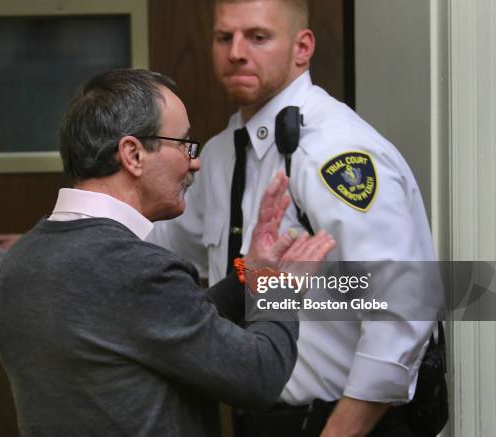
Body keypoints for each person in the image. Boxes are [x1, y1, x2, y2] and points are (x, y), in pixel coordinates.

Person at [148, 1, 440, 436]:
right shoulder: (221, 154)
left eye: (258, 37)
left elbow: (404, 307)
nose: (236, 52)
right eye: (224, 37)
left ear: (302, 47)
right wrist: (79, 232)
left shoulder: (335, 154)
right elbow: (166, 243)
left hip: (342, 423)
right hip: (259, 420)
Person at [0, 69, 335, 437]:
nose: (195, 162)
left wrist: (247, 274)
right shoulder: (137, 269)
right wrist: (276, 287)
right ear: (133, 154)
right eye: (184, 144)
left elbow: (154, 326)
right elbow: (259, 377)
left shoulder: (19, 261)